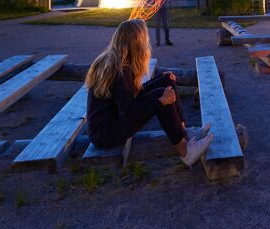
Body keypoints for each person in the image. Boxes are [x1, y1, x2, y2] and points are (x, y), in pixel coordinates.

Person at [85, 19, 212, 167]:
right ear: (137, 43)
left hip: (113, 120)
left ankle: (184, 133)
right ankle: (186, 152)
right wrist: (161, 102)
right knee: (161, 95)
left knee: (166, 81)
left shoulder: (116, 59)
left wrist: (162, 81)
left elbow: (127, 96)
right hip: (105, 134)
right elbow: (131, 113)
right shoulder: (120, 70)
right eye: (145, 39)